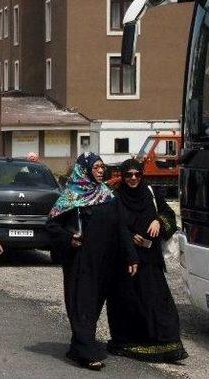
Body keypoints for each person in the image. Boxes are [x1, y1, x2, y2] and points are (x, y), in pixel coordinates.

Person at [46, 152, 139, 371]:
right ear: (84, 169)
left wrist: (131, 255)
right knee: (82, 304)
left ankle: (77, 347)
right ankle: (87, 353)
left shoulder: (107, 195)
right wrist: (69, 239)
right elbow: (51, 226)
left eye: (101, 167)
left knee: (94, 306)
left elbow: (121, 228)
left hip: (105, 262)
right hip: (80, 262)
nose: (100, 170)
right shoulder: (70, 197)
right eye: (96, 167)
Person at [106, 159, 187, 363]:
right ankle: (128, 343)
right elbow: (110, 226)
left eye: (137, 174)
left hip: (150, 259)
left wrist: (158, 221)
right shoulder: (115, 198)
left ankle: (166, 344)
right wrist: (129, 237)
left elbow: (169, 214)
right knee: (128, 301)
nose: (133, 178)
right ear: (123, 177)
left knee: (157, 300)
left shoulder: (151, 194)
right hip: (126, 260)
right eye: (128, 175)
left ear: (142, 175)